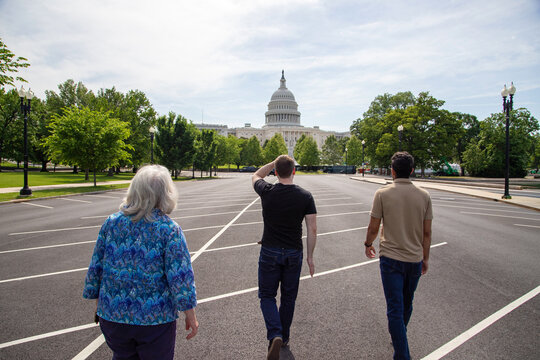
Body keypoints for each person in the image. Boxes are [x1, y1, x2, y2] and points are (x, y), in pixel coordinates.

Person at [83, 165, 198, 360]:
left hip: (113, 315)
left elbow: (97, 267)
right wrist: (190, 314)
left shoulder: (111, 223)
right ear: (165, 193)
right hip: (155, 319)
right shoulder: (169, 229)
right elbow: (180, 277)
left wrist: (98, 303)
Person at [364, 152, 432, 360]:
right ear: (411, 170)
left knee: (394, 307)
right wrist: (425, 258)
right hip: (414, 257)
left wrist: (368, 244)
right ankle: (399, 335)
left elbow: (374, 226)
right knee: (407, 301)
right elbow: (427, 232)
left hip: (391, 257)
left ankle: (402, 354)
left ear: (392, 171)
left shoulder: (382, 194)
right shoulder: (424, 195)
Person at [252, 155, 317, 360]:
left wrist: (272, 164)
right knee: (289, 297)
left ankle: (275, 333)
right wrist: (310, 257)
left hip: (270, 250)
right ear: (294, 171)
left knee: (267, 296)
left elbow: (255, 175)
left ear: (276, 173)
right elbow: (312, 229)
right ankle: (284, 337)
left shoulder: (267, 191)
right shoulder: (306, 196)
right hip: (293, 252)